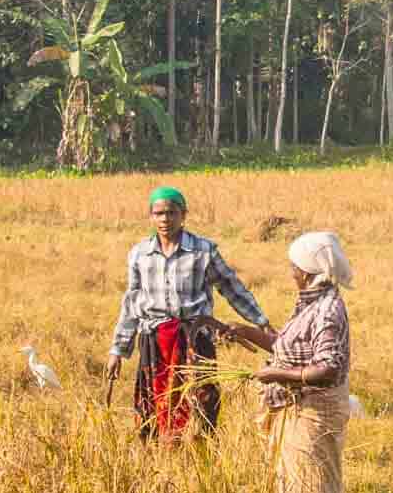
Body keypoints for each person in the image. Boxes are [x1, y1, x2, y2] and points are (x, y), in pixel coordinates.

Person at [105, 187, 271, 437]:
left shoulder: (203, 251)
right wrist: (118, 350)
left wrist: (261, 322)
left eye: (171, 212)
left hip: (195, 339)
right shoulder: (140, 254)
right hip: (155, 339)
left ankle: (201, 454)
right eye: (158, 213)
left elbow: (230, 287)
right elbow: (131, 303)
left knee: (202, 401)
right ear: (151, 216)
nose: (165, 219)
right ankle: (160, 457)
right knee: (155, 401)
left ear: (184, 215)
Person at [232, 231, 353, 493]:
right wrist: (246, 332)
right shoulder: (312, 303)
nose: (291, 273)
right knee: (299, 485)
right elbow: (289, 348)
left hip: (312, 409)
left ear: (305, 270)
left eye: (293, 267)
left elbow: (327, 368)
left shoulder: (327, 310)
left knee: (313, 490)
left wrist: (277, 376)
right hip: (297, 406)